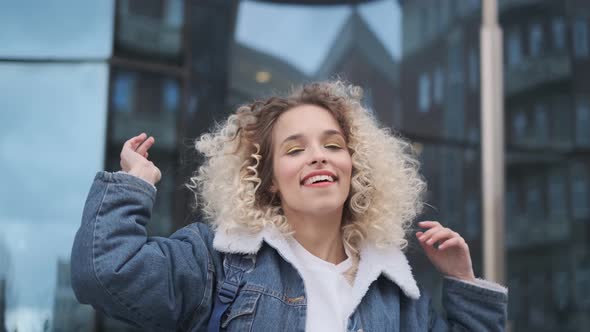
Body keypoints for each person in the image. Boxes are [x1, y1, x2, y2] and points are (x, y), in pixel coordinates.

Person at [71, 81, 507, 331]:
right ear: (269, 179)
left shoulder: (395, 293)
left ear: (355, 167)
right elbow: (105, 273)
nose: (319, 155)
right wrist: (132, 185)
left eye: (332, 145)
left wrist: (462, 282)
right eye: (294, 150)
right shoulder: (218, 262)